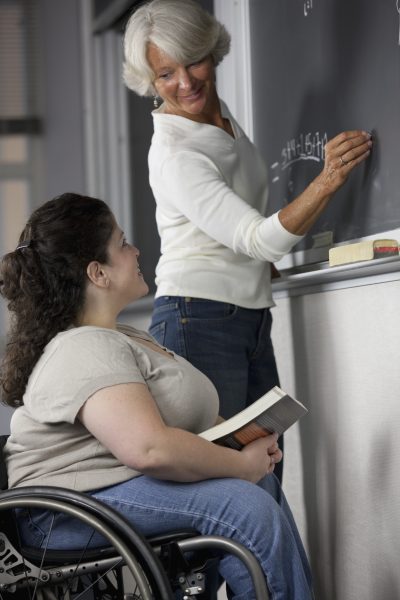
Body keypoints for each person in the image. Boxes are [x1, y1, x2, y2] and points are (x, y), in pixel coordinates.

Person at [1, 193, 313, 599]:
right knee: (244, 508)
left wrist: (246, 441)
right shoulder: (83, 347)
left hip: (109, 490)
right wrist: (239, 465)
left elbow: (170, 428)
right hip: (65, 513)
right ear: (98, 272)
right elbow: (148, 449)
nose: (136, 250)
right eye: (123, 243)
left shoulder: (123, 337)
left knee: (261, 491)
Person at [122, 0, 372, 482]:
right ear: (149, 81)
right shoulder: (177, 152)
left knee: (267, 473)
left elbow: (235, 230)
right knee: (232, 488)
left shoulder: (218, 120)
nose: (186, 83)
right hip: (197, 320)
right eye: (166, 74)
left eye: (193, 61)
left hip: (245, 317)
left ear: (211, 50)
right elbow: (258, 238)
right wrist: (327, 179)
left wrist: (255, 265)